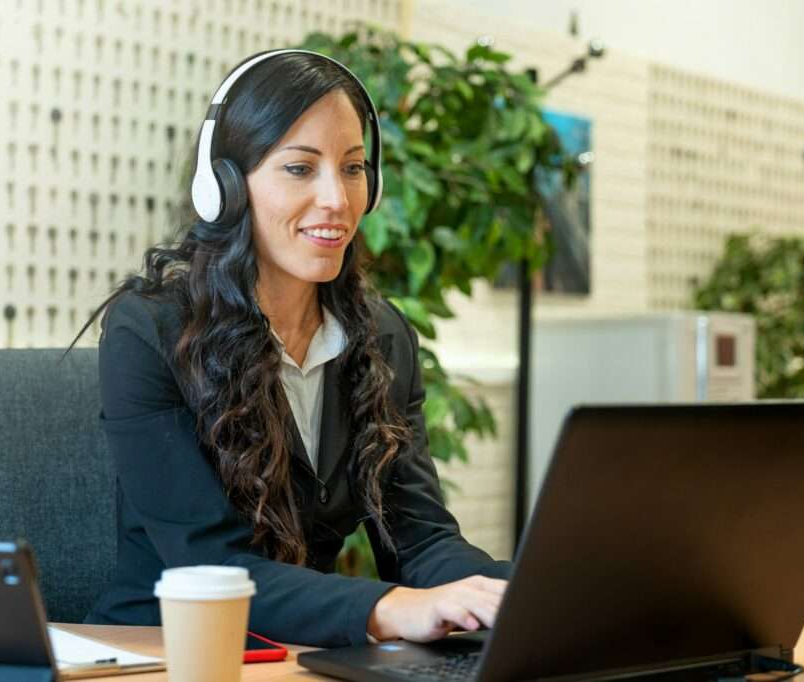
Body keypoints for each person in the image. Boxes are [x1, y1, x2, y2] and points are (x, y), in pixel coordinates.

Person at [77, 49, 510, 648]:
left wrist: (515, 594)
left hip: (300, 653)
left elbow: (421, 540)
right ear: (225, 187)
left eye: (354, 168)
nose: (337, 199)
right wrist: (390, 608)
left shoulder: (383, 337)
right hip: (164, 653)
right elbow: (212, 567)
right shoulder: (150, 332)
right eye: (301, 169)